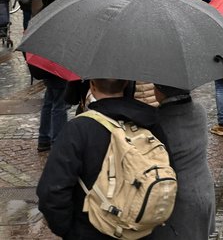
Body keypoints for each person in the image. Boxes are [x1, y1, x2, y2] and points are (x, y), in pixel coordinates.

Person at [37, 78, 164, 239]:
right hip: (140, 231)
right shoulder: (150, 122)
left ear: (92, 84)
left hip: (90, 229)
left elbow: (51, 192)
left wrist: (70, 231)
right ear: (126, 84)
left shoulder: (78, 129)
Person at [151, 83, 215, 239]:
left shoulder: (157, 121)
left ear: (160, 91)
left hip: (180, 199)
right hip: (204, 189)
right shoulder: (199, 111)